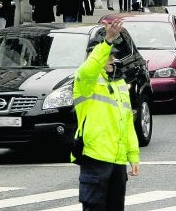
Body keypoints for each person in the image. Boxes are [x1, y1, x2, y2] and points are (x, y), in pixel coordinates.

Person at [72, 20, 140, 210]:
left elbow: (127, 122)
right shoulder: (86, 81)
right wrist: (107, 42)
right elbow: (90, 67)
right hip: (95, 158)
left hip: (117, 161)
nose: (112, 59)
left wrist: (133, 155)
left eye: (113, 56)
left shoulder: (119, 84)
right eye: (108, 56)